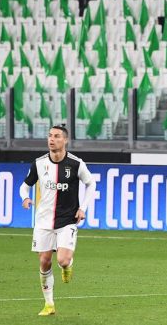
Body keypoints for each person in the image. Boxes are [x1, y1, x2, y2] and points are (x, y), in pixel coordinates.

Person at [20, 124, 96, 316]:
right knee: (45, 261)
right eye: (50, 136)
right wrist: (25, 198)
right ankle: (49, 304)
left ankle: (67, 266)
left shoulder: (76, 163)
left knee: (62, 260)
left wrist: (83, 208)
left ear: (65, 140)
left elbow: (91, 183)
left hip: (67, 220)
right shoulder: (39, 163)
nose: (51, 139)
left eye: (56, 136)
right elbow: (25, 185)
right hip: (43, 221)